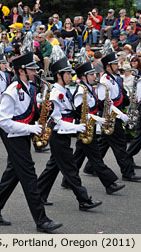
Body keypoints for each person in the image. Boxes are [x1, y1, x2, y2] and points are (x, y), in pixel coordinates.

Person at [0, 51, 62, 233]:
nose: (36, 72)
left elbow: (30, 113)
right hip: (14, 139)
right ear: (21, 71)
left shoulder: (31, 88)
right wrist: (29, 129)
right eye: (32, 69)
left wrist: (44, 109)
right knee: (29, 178)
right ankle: (41, 220)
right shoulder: (12, 91)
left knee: (12, 175)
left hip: (23, 137)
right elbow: (3, 121)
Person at [37, 46, 103, 211]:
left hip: (64, 134)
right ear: (59, 75)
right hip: (59, 134)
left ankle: (38, 195)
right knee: (70, 169)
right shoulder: (55, 93)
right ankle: (84, 199)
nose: (70, 76)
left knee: (53, 167)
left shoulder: (64, 91)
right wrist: (77, 126)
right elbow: (55, 120)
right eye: (67, 74)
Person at [60, 60, 125, 195]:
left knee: (78, 156)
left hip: (89, 128)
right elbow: (79, 112)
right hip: (86, 127)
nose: (95, 77)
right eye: (91, 74)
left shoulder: (89, 88)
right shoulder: (80, 90)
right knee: (96, 158)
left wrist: (103, 104)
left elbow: (93, 106)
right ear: (84, 76)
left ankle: (67, 180)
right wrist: (99, 119)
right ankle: (109, 183)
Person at [83, 48, 141, 182]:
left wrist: (129, 100)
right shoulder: (105, 81)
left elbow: (121, 96)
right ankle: (128, 172)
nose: (118, 66)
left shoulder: (115, 78)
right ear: (109, 66)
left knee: (104, 143)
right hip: (112, 117)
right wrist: (121, 115)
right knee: (120, 145)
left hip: (116, 114)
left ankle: (90, 167)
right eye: (115, 64)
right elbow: (105, 104)